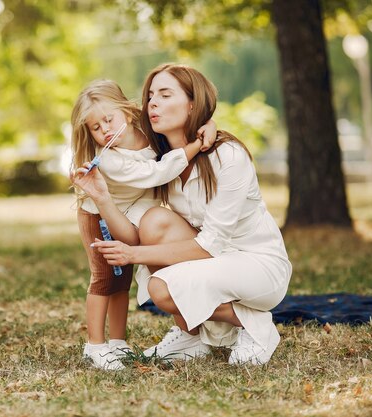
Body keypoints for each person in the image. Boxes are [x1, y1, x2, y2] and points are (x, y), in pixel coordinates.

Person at [76, 64, 292, 366]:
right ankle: (190, 336)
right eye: (151, 96)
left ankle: (255, 326)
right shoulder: (161, 162)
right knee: (153, 222)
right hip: (214, 261)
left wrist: (133, 254)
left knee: (161, 287)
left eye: (165, 95)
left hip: (256, 265)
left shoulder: (228, 155)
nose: (153, 103)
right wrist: (101, 197)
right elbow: (135, 229)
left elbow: (211, 245)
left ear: (192, 103)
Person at [69, 79, 217, 370]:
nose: (105, 130)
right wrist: (197, 145)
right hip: (97, 215)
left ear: (126, 110)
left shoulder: (146, 132)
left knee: (122, 281)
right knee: (103, 279)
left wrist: (208, 125)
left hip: (130, 211)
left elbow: (185, 121)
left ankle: (117, 342)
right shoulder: (111, 160)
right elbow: (157, 173)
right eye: (96, 128)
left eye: (109, 120)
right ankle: (95, 345)